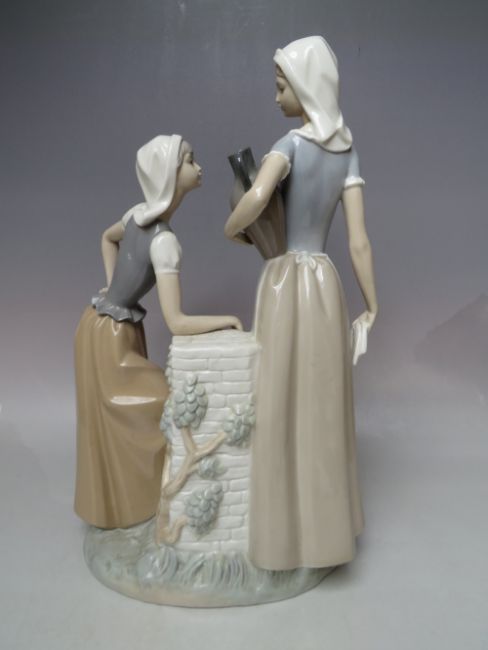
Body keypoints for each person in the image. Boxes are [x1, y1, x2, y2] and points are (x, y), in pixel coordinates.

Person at [224, 37, 378, 570]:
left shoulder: (288, 144)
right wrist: (372, 304)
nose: (276, 97)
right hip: (326, 284)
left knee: (280, 400)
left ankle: (282, 537)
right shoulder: (348, 152)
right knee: (322, 404)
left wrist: (231, 227)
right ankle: (326, 531)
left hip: (286, 281)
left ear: (307, 87)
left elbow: (256, 197)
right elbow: (358, 242)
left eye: (282, 86)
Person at [75, 134, 242, 529]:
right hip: (113, 339)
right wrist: (226, 320)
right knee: (159, 406)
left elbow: (106, 238)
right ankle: (135, 504)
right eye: (189, 161)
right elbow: (176, 322)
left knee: (114, 422)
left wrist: (111, 288)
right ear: (168, 173)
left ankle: (125, 503)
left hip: (95, 325)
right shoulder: (165, 242)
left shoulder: (135, 215)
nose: (198, 167)